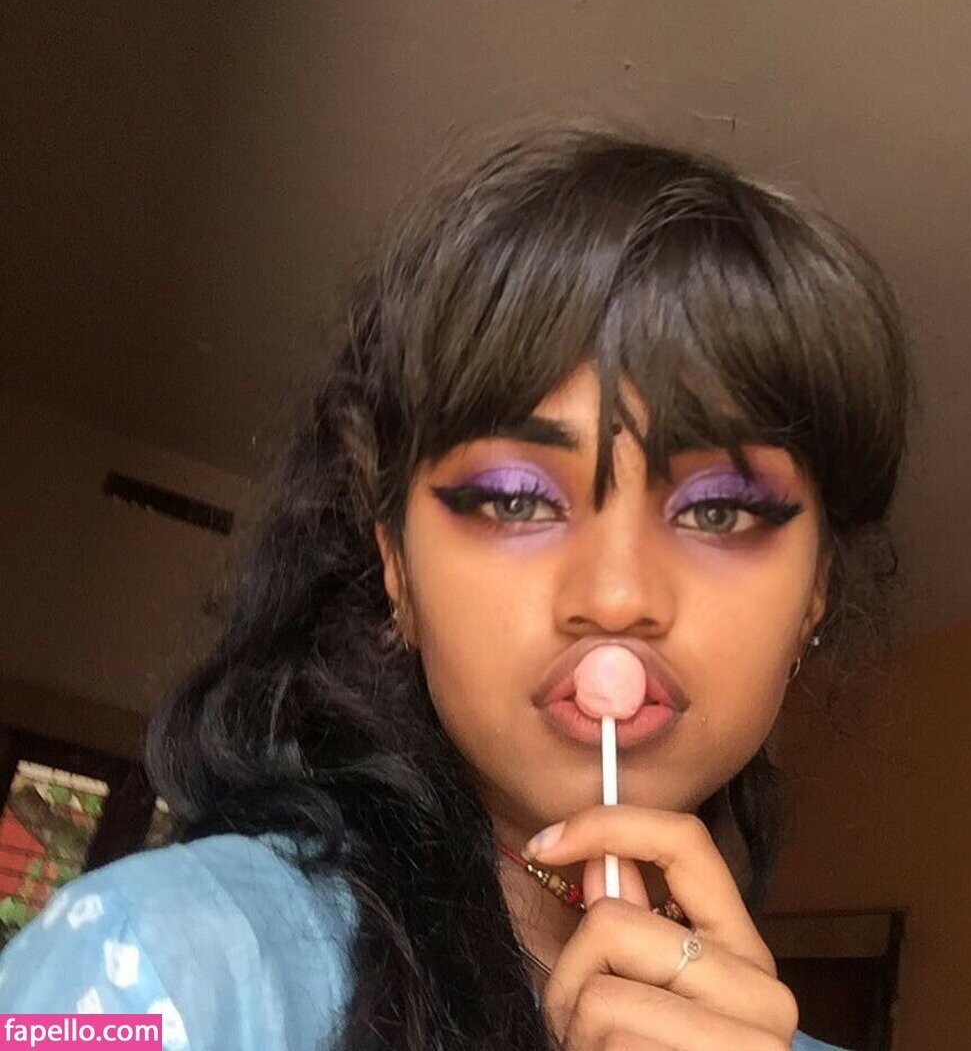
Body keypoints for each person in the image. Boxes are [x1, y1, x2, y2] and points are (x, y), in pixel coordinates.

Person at [0, 124, 911, 1050]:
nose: (615, 596)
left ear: (817, 591)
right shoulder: (154, 969)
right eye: (517, 498)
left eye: (717, 510)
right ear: (396, 566)